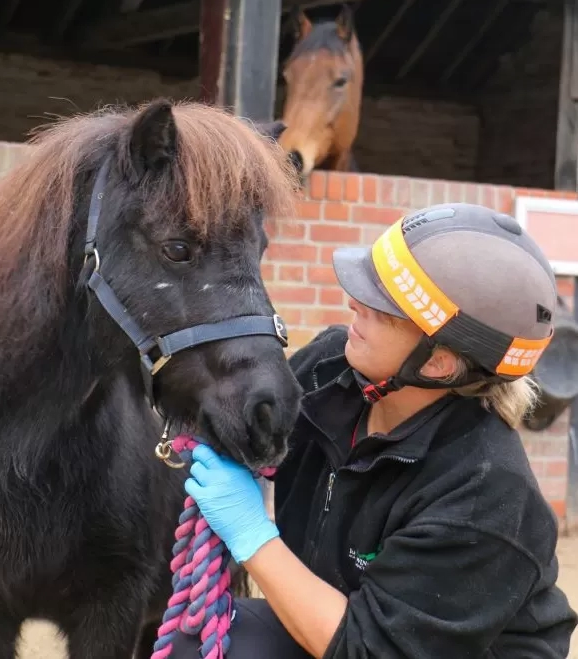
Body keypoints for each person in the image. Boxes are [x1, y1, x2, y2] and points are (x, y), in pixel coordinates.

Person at [172, 202, 578, 659]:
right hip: (342, 621)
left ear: (437, 363)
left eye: (384, 307)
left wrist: (252, 536)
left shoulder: (485, 493)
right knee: (201, 644)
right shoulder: (331, 368)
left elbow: (368, 649)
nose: (354, 302)